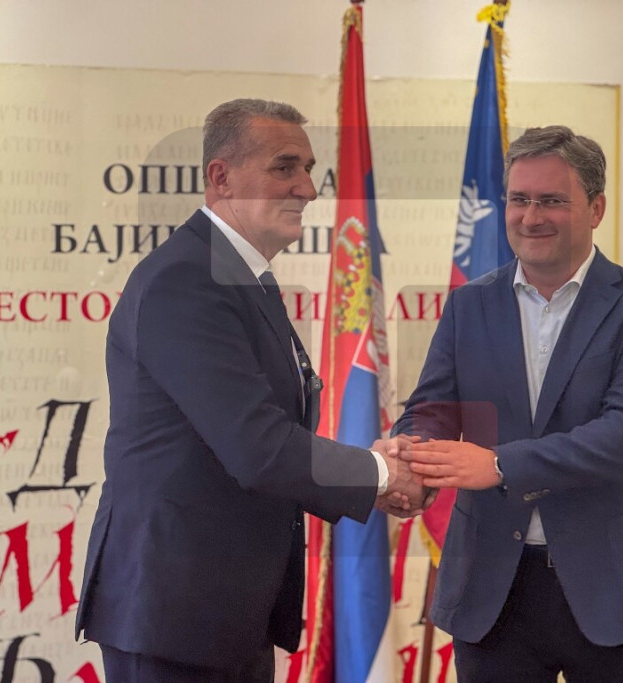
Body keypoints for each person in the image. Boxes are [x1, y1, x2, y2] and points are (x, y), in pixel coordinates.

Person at [75, 98, 423, 682]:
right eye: (284, 167)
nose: (307, 188)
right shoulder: (186, 279)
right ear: (221, 177)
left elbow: (261, 433)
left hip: (226, 612)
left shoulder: (238, 275)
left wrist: (371, 468)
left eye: (308, 169)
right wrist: (380, 473)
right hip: (174, 615)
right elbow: (257, 447)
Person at [396, 125, 623, 682]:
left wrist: (499, 465)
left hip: (611, 589)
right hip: (490, 590)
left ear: (596, 208)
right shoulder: (468, 305)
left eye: (552, 200)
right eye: (519, 199)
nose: (531, 217)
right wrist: (408, 455)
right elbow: (433, 409)